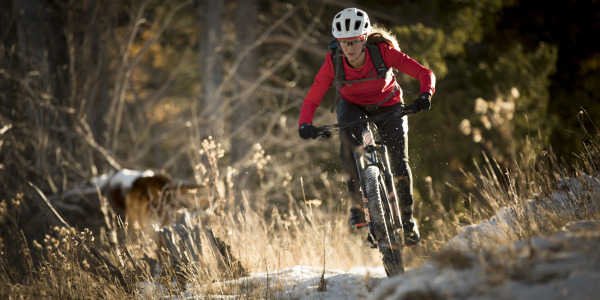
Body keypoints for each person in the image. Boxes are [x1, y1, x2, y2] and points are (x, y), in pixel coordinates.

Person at [297, 8, 435, 247]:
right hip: (352, 107)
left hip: (389, 105)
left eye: (354, 41)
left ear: (364, 38)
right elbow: (312, 97)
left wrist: (425, 95)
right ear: (338, 42)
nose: (349, 48)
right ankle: (358, 207)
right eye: (344, 42)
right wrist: (305, 122)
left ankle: (408, 219)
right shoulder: (334, 62)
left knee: (399, 161)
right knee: (347, 148)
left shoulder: (383, 53)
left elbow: (425, 73)